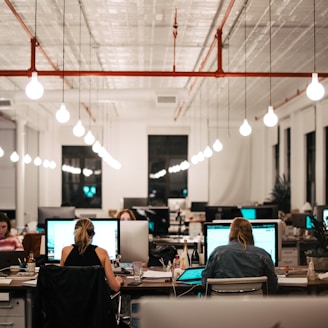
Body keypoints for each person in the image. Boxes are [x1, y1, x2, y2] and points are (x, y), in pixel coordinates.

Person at [202, 217, 278, 294]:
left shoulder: (217, 253)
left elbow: (205, 283)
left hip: (223, 304)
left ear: (231, 233)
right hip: (254, 304)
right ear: (250, 234)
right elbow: (272, 286)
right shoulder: (263, 255)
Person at [60, 218, 123, 292]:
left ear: (75, 233)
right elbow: (115, 287)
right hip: (95, 302)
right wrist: (118, 281)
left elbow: (60, 280)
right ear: (93, 234)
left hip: (70, 302)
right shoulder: (102, 253)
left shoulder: (65, 251)